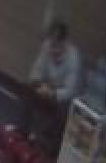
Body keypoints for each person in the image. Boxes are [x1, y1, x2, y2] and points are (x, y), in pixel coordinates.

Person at [23, 20, 81, 152]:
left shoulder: (73, 58)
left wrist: (53, 93)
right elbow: (36, 70)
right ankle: (24, 132)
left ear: (65, 42)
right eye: (52, 44)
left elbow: (70, 90)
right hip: (47, 87)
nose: (53, 49)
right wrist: (39, 83)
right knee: (28, 88)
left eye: (57, 45)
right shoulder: (47, 46)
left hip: (63, 97)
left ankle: (49, 147)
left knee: (62, 110)